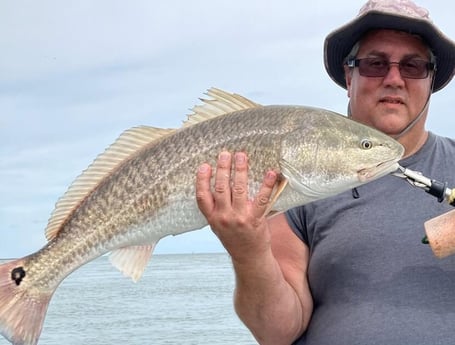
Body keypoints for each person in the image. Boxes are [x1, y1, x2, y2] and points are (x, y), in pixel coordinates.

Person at [195, 0, 455, 344]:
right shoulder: (297, 179)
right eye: (375, 64)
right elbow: (277, 332)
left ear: (431, 79)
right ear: (349, 76)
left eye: (414, 66)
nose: (394, 79)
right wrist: (249, 251)